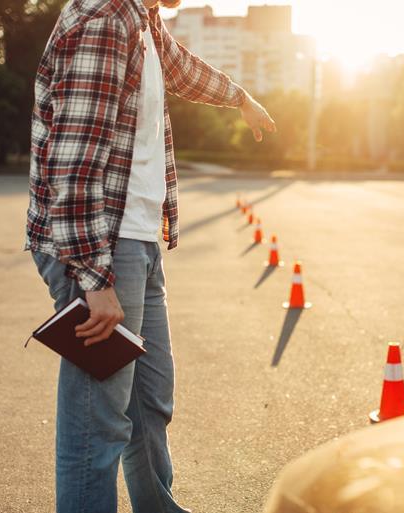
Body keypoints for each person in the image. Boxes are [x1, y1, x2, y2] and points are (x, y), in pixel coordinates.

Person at [24, 0, 276, 511]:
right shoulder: (105, 20)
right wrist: (95, 280)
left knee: (149, 399)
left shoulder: (144, 21)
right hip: (101, 245)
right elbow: (72, 163)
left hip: (135, 238)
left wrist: (240, 97)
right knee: (99, 417)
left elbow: (182, 69)